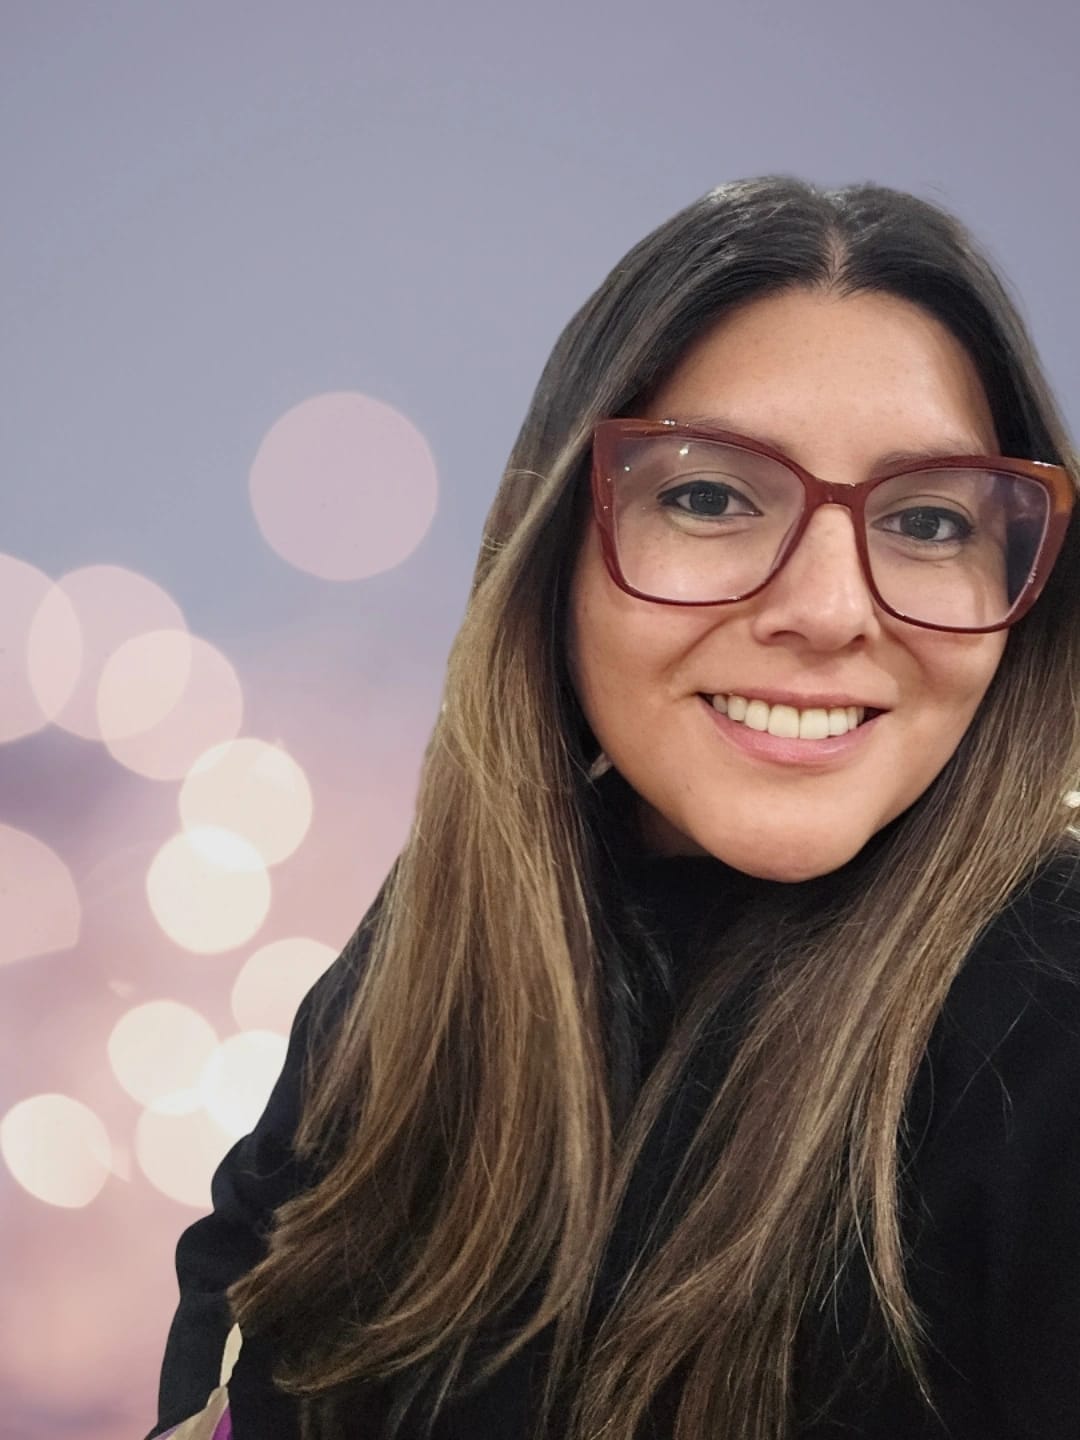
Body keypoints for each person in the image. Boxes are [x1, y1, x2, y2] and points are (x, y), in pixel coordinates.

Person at [146, 175, 1080, 1440]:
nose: (827, 610)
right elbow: (240, 1314)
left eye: (926, 520)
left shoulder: (1053, 1019)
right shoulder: (451, 936)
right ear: (555, 550)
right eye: (709, 497)